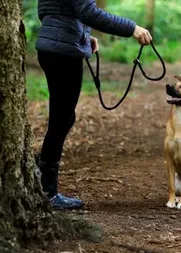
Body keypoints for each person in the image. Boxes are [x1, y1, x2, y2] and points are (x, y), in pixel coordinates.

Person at [35, 0, 152, 210]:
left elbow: (50, 11)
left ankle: (40, 167)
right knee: (61, 119)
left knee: (64, 117)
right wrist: (132, 28)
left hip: (51, 48)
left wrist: (82, 36)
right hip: (63, 54)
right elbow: (88, 12)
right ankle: (48, 192)